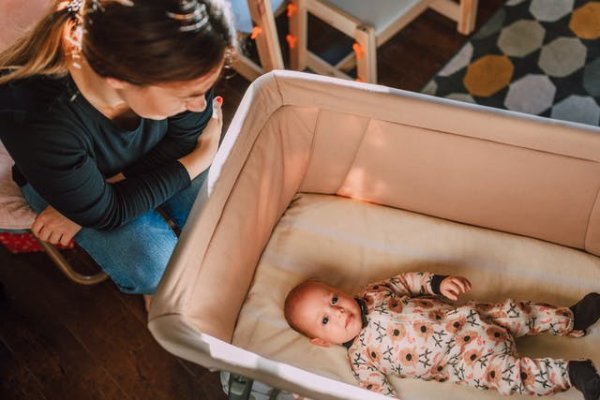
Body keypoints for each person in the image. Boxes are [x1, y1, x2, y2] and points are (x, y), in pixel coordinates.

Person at [0, 0, 237, 303]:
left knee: (224, 217)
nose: (200, 105)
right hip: (62, 187)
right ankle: (154, 290)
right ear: (119, 81)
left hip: (122, 173)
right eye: (186, 96)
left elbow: (187, 135)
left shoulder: (184, 47)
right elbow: (110, 212)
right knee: (157, 267)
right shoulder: (33, 116)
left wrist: (105, 198)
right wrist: (195, 162)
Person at [284, 272, 600, 399]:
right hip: (466, 361)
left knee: (520, 312)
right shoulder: (361, 360)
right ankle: (574, 374)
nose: (338, 312)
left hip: (472, 317)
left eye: (334, 299)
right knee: (510, 377)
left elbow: (404, 282)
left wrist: (438, 283)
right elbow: (379, 395)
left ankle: (571, 319)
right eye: (325, 320)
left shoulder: (372, 294)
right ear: (322, 341)